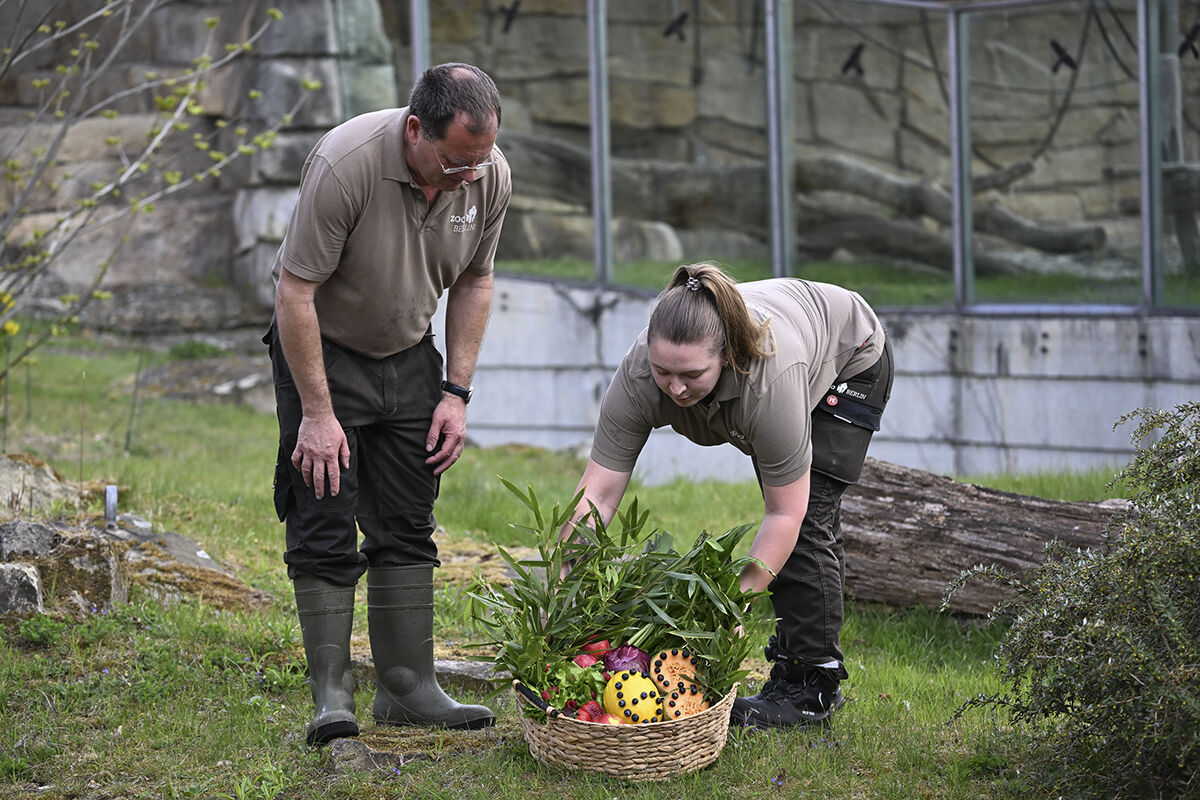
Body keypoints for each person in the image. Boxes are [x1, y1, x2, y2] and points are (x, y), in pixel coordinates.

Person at [264, 63, 510, 745]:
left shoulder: (487, 174)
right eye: (456, 161)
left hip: (409, 354)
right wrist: (317, 412)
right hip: (325, 352)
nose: (470, 176)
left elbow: (476, 281)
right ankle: (331, 695)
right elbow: (295, 292)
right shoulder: (345, 165)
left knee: (408, 517)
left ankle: (406, 687)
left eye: (480, 160)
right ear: (415, 130)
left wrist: (455, 394)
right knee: (323, 509)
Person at [565, 262, 893, 729]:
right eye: (664, 372)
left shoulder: (770, 379)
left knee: (810, 518)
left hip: (850, 354)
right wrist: (564, 578)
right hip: (788, 346)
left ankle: (810, 688)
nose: (675, 387)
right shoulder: (640, 372)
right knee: (799, 516)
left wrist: (727, 605)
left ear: (726, 356)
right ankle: (795, 665)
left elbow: (786, 513)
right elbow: (597, 492)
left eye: (691, 374)